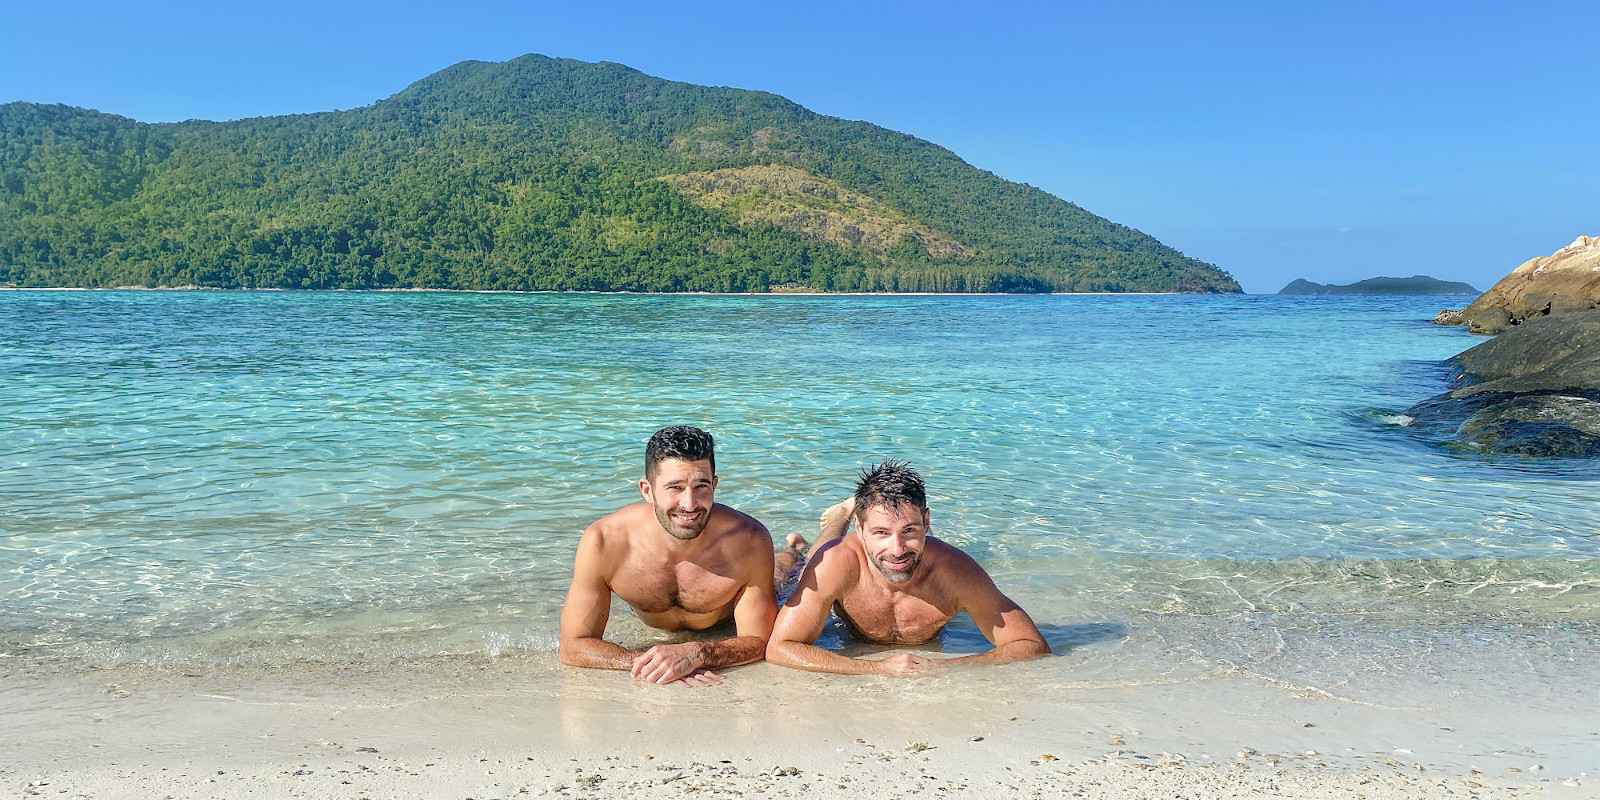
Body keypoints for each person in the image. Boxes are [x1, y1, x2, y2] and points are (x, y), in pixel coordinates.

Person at [558, 425, 806, 686]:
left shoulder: (749, 540)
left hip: (724, 619)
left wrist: (699, 653)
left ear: (715, 484)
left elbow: (761, 641)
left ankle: (796, 548)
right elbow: (573, 646)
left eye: (701, 486)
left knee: (785, 573)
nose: (690, 504)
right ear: (647, 490)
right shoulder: (604, 541)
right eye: (675, 487)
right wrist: (650, 664)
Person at [766, 459, 1049, 675]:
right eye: (881, 533)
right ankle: (831, 522)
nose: (898, 549)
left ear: (927, 522)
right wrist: (877, 669)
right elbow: (779, 648)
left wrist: (943, 668)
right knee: (799, 567)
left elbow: (1030, 644)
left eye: (910, 531)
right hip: (833, 557)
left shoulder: (955, 571)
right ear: (860, 529)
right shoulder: (838, 562)